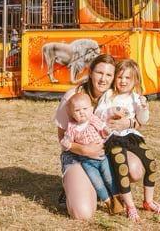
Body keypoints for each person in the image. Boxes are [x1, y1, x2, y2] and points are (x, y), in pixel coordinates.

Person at [53, 54, 144, 220]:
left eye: (109, 75)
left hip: (106, 152)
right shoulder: (74, 97)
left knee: (135, 170)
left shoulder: (116, 95)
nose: (103, 79)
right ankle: (77, 187)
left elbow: (139, 121)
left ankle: (99, 187)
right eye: (99, 73)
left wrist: (128, 124)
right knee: (82, 214)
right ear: (90, 73)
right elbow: (61, 138)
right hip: (78, 157)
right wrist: (84, 149)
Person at [101, 59, 160, 221]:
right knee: (122, 167)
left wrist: (144, 108)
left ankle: (148, 201)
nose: (122, 81)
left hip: (131, 135)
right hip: (113, 136)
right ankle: (130, 206)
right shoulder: (109, 95)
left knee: (151, 162)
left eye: (127, 78)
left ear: (135, 80)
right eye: (120, 77)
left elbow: (143, 120)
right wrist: (112, 111)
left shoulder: (136, 98)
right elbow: (99, 113)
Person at [59, 93, 116, 212]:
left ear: (91, 109)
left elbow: (103, 130)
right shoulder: (72, 128)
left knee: (109, 176)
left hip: (102, 157)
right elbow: (66, 142)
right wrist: (68, 144)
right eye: (77, 110)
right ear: (72, 114)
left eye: (85, 109)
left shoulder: (94, 120)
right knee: (97, 182)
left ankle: (117, 197)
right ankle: (108, 201)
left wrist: (107, 132)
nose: (82, 112)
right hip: (86, 162)